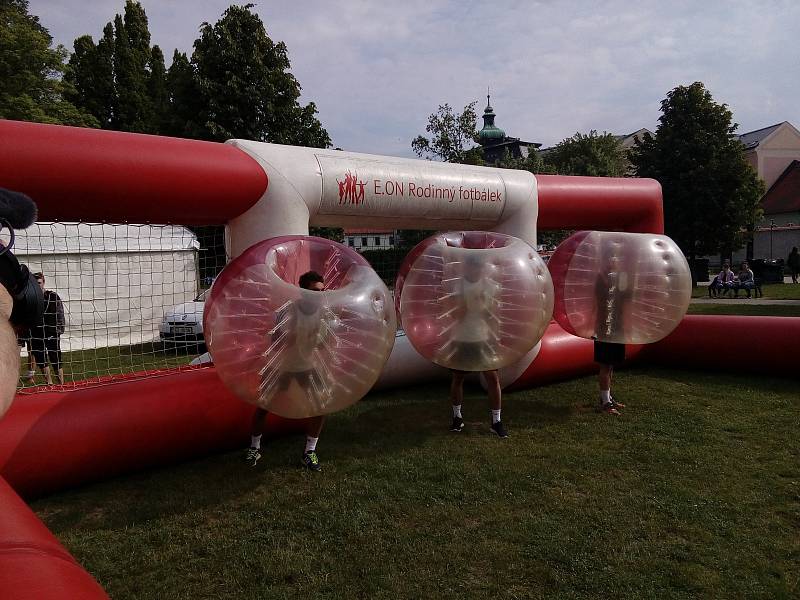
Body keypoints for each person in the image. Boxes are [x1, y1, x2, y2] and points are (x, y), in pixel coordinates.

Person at [245, 270, 329, 472]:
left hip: (307, 365)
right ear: (302, 292)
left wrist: (319, 342)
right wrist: (288, 337)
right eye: (314, 291)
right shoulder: (288, 311)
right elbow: (274, 341)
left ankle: (309, 452)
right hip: (280, 365)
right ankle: (254, 447)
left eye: (322, 291)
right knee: (264, 406)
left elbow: (324, 343)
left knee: (321, 406)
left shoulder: (323, 313)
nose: (319, 295)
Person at [446, 253, 507, 438]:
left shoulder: (489, 285)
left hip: (484, 337)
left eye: (480, 267)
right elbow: (455, 315)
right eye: (473, 266)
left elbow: (493, 314)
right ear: (468, 267)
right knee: (458, 378)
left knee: (493, 378)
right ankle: (457, 417)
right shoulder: (459, 285)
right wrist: (468, 301)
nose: (477, 270)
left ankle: (496, 421)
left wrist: (485, 307)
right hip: (463, 337)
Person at [593, 251, 630, 416]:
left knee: (611, 363)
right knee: (605, 364)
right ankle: (605, 402)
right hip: (605, 326)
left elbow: (627, 296)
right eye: (612, 257)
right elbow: (603, 298)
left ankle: (606, 397)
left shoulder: (619, 277)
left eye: (617, 257)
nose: (616, 260)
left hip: (617, 325)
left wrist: (624, 281)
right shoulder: (601, 278)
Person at [27, 272, 66, 385]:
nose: (38, 285)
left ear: (43, 282)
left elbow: (60, 312)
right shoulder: (30, 298)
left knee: (55, 358)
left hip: (51, 331)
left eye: (39, 283)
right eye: (35, 283)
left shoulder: (53, 296)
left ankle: (61, 384)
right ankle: (49, 383)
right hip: (36, 332)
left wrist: (60, 329)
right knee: (41, 358)